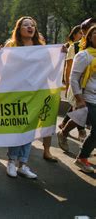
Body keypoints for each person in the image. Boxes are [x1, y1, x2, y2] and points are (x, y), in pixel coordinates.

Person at [4, 17, 45, 179]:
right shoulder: (11, 46)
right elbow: (2, 67)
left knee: (29, 129)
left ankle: (23, 164)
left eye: (33, 25)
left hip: (34, 94)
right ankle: (11, 161)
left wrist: (60, 52)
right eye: (26, 25)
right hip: (16, 93)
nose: (30, 27)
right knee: (17, 127)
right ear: (19, 29)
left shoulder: (40, 47)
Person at [58, 25, 96, 173]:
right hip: (87, 97)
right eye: (95, 33)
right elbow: (74, 78)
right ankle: (82, 158)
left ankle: (64, 132)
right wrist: (79, 99)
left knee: (81, 119)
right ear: (89, 37)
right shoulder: (84, 55)